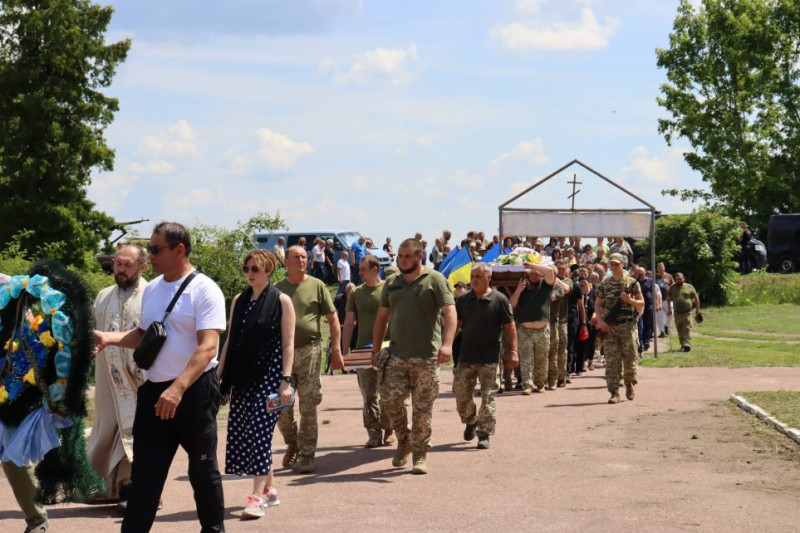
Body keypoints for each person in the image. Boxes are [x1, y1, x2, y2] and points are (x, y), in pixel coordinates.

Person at [94, 221, 227, 532]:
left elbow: (208, 348)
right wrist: (110, 338)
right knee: (145, 476)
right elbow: (144, 334)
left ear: (179, 250)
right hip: (155, 393)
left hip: (193, 392)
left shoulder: (205, 289)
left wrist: (178, 389)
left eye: (156, 249)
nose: (150, 255)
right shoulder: (152, 289)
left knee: (203, 470)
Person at [217, 250, 295, 519]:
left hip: (271, 376)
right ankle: (270, 491)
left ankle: (256, 499)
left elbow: (288, 344)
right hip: (242, 376)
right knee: (248, 432)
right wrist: (219, 373)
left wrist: (286, 380)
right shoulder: (239, 300)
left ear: (269, 270)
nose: (250, 274)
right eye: (247, 269)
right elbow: (230, 340)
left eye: (255, 269)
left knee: (259, 432)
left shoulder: (282, 301)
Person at [372, 238, 456, 475]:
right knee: (389, 400)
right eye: (399, 256)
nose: (402, 260)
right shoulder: (391, 282)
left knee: (422, 409)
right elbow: (381, 318)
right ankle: (404, 440)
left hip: (426, 357)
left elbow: (450, 313)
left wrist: (447, 344)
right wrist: (376, 350)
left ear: (419, 257)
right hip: (396, 354)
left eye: (407, 256)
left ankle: (419, 454)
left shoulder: (435, 280)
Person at [87, 244, 148, 509]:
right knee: (107, 429)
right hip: (107, 379)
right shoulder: (102, 296)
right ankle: (110, 488)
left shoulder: (152, 294)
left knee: (137, 432)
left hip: (140, 380)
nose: (121, 270)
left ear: (142, 267)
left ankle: (140, 492)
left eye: (127, 265)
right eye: (118, 264)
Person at [276, 246, 344, 474]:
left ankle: (307, 454)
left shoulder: (317, 286)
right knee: (280, 407)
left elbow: (333, 320)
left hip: (310, 352)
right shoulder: (277, 290)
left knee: (308, 406)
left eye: (304, 257)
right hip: (282, 355)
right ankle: (292, 443)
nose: (301, 261)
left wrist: (336, 350)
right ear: (285, 261)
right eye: (296, 257)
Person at [453, 264, 517, 450]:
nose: (474, 279)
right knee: (461, 394)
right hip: (466, 356)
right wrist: (445, 346)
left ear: (489, 277)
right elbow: (455, 325)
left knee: (488, 397)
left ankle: (484, 433)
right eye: (472, 276)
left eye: (479, 276)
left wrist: (512, 351)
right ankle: (471, 420)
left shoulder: (499, 300)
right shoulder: (464, 300)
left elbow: (510, 327)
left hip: (489, 357)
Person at [342, 255, 396, 448]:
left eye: (363, 269)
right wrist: (343, 351)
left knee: (388, 392)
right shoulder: (356, 293)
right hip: (363, 349)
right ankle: (373, 433)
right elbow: (348, 323)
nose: (360, 273)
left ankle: (389, 428)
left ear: (375, 269)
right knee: (368, 394)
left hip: (388, 348)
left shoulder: (389, 290)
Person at [595, 252, 643, 404]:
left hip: (628, 326)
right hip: (610, 328)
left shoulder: (630, 282)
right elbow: (597, 304)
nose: (614, 266)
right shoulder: (605, 283)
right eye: (612, 264)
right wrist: (600, 321)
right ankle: (614, 392)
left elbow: (641, 304)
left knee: (630, 360)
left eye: (617, 263)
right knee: (612, 361)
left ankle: (629, 384)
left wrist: (630, 300)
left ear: (623, 264)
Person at [509, 261, 559, 394]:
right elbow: (511, 305)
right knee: (526, 359)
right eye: (532, 275)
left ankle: (540, 384)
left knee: (542, 359)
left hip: (542, 330)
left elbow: (550, 272)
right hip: (524, 330)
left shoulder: (546, 286)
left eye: (537, 274)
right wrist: (519, 290)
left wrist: (532, 266)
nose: (534, 277)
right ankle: (527, 385)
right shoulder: (523, 287)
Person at [666, 272, 702, 352]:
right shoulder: (672, 287)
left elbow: (696, 298)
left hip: (687, 312)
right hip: (677, 312)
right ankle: (683, 344)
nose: (678, 280)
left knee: (687, 328)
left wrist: (697, 309)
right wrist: (669, 309)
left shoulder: (689, 287)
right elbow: (668, 298)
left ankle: (687, 344)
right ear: (675, 280)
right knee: (679, 328)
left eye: (680, 279)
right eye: (677, 279)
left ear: (683, 279)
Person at [655, 262, 674, 337]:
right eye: (659, 268)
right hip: (658, 300)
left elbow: (673, 284)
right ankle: (662, 331)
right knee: (659, 317)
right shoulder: (654, 277)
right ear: (657, 269)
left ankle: (666, 326)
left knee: (671, 313)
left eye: (662, 268)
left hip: (667, 299)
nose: (661, 269)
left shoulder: (668, 276)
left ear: (664, 268)